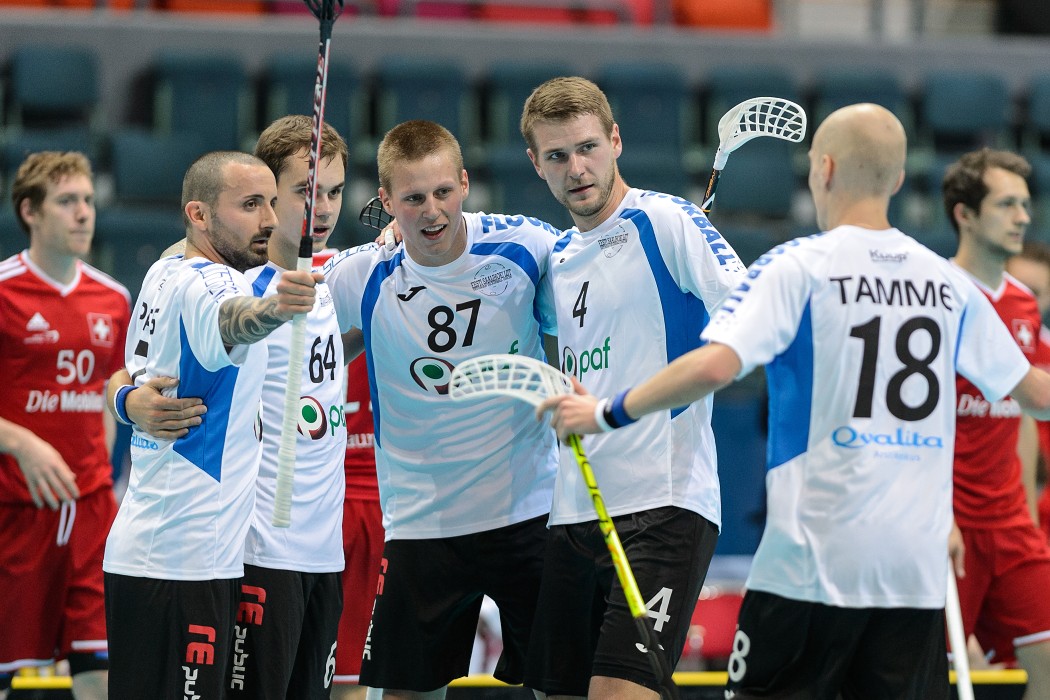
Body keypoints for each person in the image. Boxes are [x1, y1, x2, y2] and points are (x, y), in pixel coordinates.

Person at [538, 103, 1050, 699]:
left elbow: (716, 364)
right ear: (898, 180)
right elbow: (1036, 394)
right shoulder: (949, 283)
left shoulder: (796, 266)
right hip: (912, 569)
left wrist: (607, 410)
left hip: (812, 558)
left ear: (823, 170)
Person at [518, 76, 744, 699]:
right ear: (535, 163)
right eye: (557, 156)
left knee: (621, 693)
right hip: (575, 508)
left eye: (588, 147)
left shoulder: (666, 219)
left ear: (615, 141)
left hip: (662, 505)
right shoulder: (558, 258)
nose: (576, 169)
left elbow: (752, 313)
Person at [322, 119, 560, 698]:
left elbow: (597, 295)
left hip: (530, 509)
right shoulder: (363, 273)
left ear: (465, 184)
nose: (432, 212)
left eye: (443, 192)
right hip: (422, 521)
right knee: (405, 692)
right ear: (385, 201)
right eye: (413, 199)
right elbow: (285, 328)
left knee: (562, 684)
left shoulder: (526, 246)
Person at [101, 151, 320, 698]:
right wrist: (276, 310)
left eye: (272, 203)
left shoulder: (162, 270)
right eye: (250, 205)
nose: (270, 220)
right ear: (198, 214)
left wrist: (125, 400)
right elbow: (232, 318)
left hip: (162, 555)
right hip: (182, 562)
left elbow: (128, 371)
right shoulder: (211, 281)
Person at [0, 152, 131, 700]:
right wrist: (19, 441)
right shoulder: (3, 290)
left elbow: (108, 393)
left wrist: (100, 474)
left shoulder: (114, 299)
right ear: (30, 211)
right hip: (15, 512)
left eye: (88, 201)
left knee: (100, 670)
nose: (83, 213)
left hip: (90, 512)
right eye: (66, 201)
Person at [942, 148, 1050, 695]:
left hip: (1011, 527)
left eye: (1025, 204)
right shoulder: (932, 293)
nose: (1023, 217)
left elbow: (1026, 416)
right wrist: (937, 513)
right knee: (934, 680)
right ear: (965, 214)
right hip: (948, 525)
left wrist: (1026, 513)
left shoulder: (1025, 303)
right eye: (1007, 204)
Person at [1006, 240, 1050, 544]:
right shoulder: (970, 354)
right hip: (986, 509)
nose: (1023, 298)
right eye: (1016, 286)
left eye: (1034, 292)